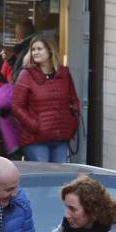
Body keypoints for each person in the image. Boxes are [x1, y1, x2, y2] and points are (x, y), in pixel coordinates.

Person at [12, 35, 80, 163]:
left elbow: (73, 100)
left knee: (59, 178)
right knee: (42, 176)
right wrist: (35, 125)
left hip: (61, 136)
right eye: (33, 49)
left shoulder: (64, 73)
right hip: (36, 139)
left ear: (50, 50)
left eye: (39, 49)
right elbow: (16, 106)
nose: (35, 52)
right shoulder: (26, 74)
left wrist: (72, 123)